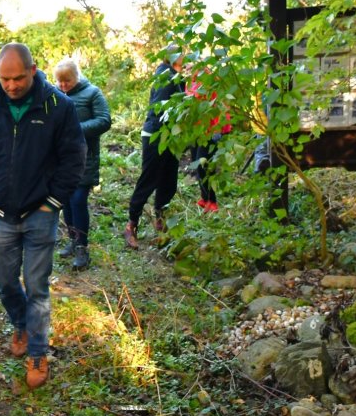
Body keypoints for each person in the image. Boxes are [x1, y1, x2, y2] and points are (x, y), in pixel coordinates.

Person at [0, 42, 86, 389]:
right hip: (2, 213)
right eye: (4, 79)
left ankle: (38, 351)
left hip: (40, 213)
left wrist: (53, 202)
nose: (10, 85)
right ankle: (20, 324)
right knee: (6, 283)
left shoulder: (57, 106)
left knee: (36, 286)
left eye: (17, 78)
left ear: (33, 69)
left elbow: (74, 158)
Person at [52, 59, 111, 269]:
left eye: (67, 80)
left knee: (77, 200)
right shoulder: (56, 94)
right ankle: (72, 241)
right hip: (61, 160)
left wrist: (75, 129)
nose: (63, 85)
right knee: (66, 201)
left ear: (77, 76)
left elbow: (104, 120)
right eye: (59, 81)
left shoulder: (92, 93)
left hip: (85, 158)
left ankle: (82, 249)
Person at [125, 48, 186, 249]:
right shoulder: (165, 75)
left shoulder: (176, 76)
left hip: (171, 137)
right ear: (175, 57)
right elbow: (160, 108)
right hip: (157, 135)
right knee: (149, 179)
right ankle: (131, 224)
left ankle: (161, 221)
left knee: (169, 181)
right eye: (183, 53)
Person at [186, 57, 232, 212]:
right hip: (197, 131)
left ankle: (212, 201)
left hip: (211, 131)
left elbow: (221, 105)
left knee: (204, 165)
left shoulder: (211, 81)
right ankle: (204, 198)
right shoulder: (190, 82)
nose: (188, 69)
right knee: (196, 163)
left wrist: (218, 130)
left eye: (191, 67)